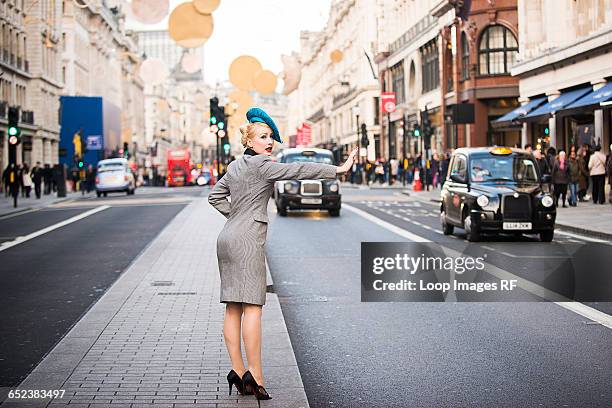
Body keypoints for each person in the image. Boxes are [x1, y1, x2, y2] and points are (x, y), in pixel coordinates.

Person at [208, 107, 357, 405]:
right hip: (247, 240)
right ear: (249, 142)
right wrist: (337, 170)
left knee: (233, 307)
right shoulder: (263, 165)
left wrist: (236, 216)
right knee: (252, 307)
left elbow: (214, 196)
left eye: (271, 137)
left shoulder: (235, 167)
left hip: (226, 239)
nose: (270, 142)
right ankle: (257, 378)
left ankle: (237, 371)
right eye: (263, 137)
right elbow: (299, 170)